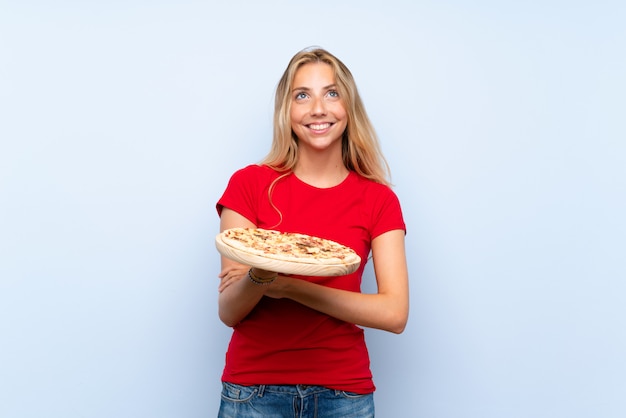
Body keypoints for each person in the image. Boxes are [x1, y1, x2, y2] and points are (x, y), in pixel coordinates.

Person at [215, 47, 409, 418]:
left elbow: (394, 313)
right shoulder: (249, 184)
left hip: (344, 395)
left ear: (348, 108)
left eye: (331, 93)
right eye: (301, 95)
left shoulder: (378, 199)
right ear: (286, 112)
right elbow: (229, 310)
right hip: (253, 393)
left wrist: (288, 285)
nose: (318, 108)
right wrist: (262, 275)